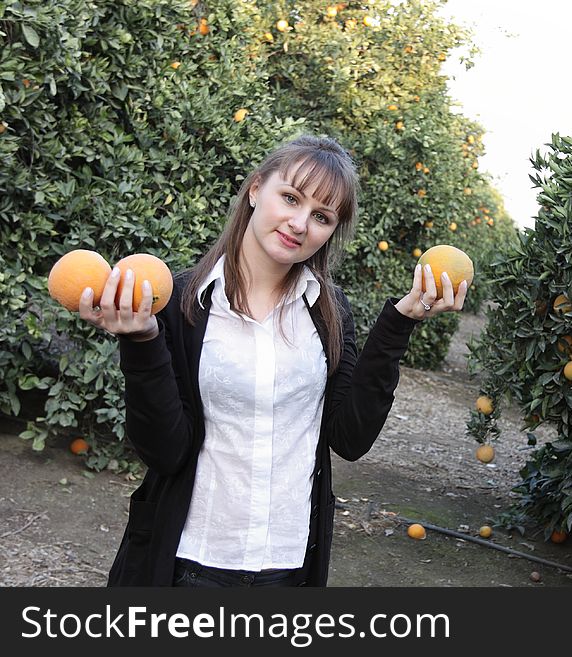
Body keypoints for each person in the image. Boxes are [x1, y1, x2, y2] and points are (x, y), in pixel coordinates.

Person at [78, 134, 467, 587]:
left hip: (288, 565)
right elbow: (165, 451)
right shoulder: (180, 303)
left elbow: (350, 438)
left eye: (321, 216)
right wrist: (142, 341)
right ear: (256, 188)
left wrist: (399, 323)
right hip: (190, 561)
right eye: (290, 198)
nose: (300, 224)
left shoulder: (328, 312)